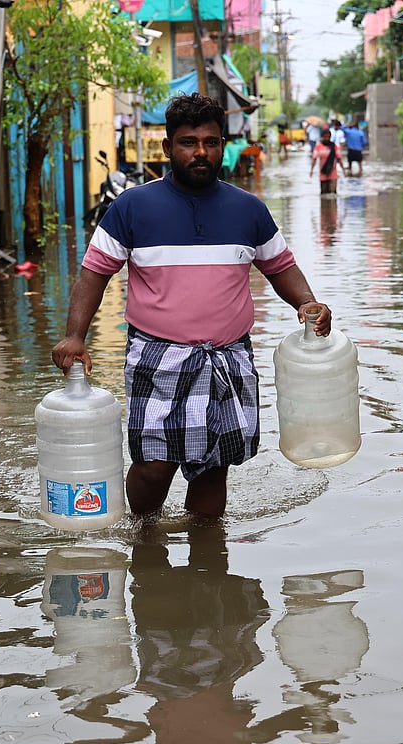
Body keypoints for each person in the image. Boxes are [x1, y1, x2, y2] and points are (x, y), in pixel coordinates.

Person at [51, 93, 332, 519]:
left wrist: (308, 303)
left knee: (213, 469)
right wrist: (75, 336)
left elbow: (281, 268)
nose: (200, 152)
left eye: (210, 142)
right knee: (153, 467)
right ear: (168, 147)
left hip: (228, 356)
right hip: (156, 356)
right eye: (188, 142)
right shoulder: (131, 207)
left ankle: (207, 554)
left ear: (222, 146)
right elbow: (94, 274)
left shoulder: (249, 210)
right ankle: (144, 536)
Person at [309, 128, 342, 194]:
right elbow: (314, 159)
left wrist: (343, 170)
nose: (327, 138)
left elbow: (339, 158)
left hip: (333, 172)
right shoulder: (318, 147)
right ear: (322, 137)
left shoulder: (334, 147)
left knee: (333, 192)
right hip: (323, 172)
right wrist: (311, 170)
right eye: (325, 137)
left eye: (328, 137)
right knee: (323, 192)